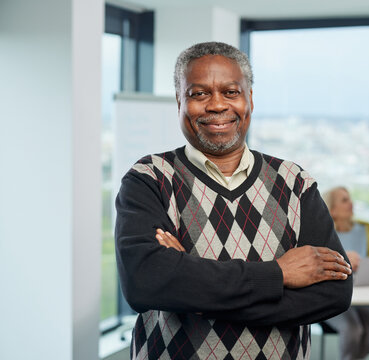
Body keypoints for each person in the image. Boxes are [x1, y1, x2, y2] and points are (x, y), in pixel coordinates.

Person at [114, 41, 353, 360]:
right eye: (198, 94)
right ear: (179, 101)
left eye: (230, 92)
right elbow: (143, 283)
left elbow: (334, 293)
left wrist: (194, 297)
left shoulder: (295, 183)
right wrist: (278, 274)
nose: (216, 105)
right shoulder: (149, 178)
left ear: (249, 99)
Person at [322, 186, 369, 360]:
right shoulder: (323, 235)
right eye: (344, 200)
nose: (351, 203)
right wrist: (344, 261)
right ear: (332, 210)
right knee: (353, 330)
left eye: (350, 198)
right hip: (335, 296)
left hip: (366, 295)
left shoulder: (366, 230)